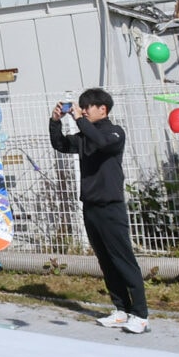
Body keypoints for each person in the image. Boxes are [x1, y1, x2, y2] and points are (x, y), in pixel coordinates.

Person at [53, 89, 147, 334]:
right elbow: (61, 144)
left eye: (87, 108)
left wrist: (79, 120)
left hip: (111, 207)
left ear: (102, 109)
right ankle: (121, 309)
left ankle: (140, 313)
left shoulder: (114, 133)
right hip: (91, 206)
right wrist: (55, 122)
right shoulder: (86, 136)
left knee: (123, 259)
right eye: (81, 108)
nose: (83, 111)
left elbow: (101, 141)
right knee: (105, 260)